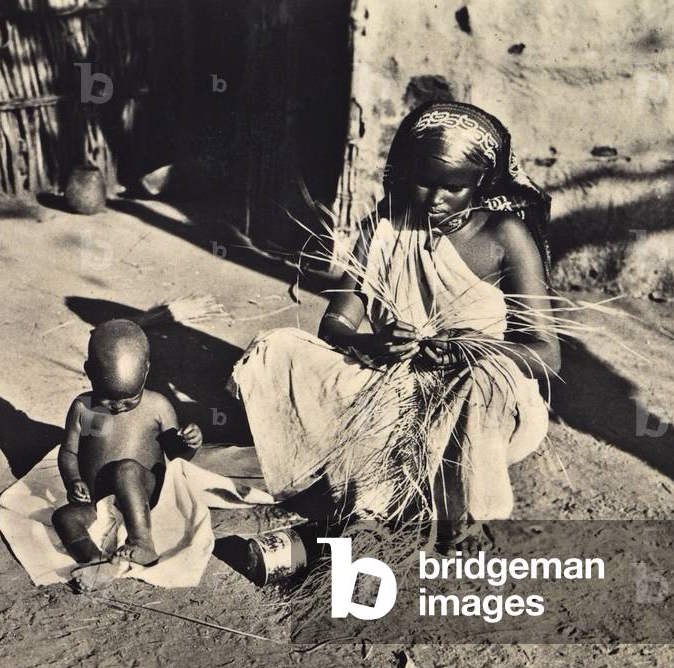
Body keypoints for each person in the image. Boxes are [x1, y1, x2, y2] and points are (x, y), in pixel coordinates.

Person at [231, 101, 558, 550]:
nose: (435, 198)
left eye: (454, 187)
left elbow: (545, 354)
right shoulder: (384, 227)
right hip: (392, 384)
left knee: (481, 384)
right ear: (406, 171)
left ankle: (457, 512)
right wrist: (374, 343)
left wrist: (475, 350)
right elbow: (336, 327)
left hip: (479, 403)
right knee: (280, 348)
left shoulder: (506, 236)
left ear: (481, 182)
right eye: (424, 181)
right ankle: (376, 502)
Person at [52, 319, 203, 591]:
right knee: (63, 518)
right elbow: (69, 451)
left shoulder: (158, 406)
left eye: (129, 399)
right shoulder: (82, 408)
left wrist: (189, 443)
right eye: (108, 399)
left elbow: (178, 456)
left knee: (126, 470)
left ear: (146, 372)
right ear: (89, 373)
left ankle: (142, 542)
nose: (119, 406)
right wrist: (74, 480)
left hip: (143, 494)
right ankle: (95, 562)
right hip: (98, 499)